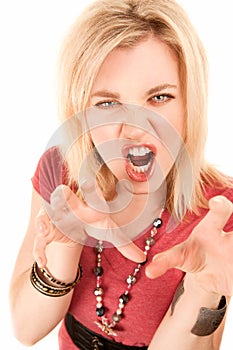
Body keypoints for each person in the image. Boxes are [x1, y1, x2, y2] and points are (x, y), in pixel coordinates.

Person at [9, 0, 233, 349]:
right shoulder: (61, 172)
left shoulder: (218, 212)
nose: (136, 127)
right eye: (108, 104)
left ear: (192, 102)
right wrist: (65, 245)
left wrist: (206, 288)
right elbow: (25, 328)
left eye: (160, 97)